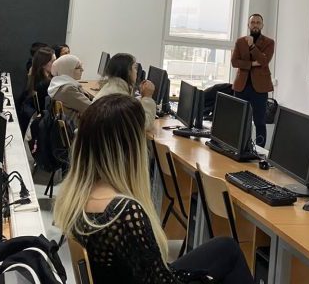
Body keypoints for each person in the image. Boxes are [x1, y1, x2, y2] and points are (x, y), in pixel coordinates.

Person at [54, 94, 254, 284]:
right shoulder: (124, 212)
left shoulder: (77, 195)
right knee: (229, 255)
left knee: (225, 248)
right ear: (129, 147)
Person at [231, 14, 274, 148]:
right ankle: (242, 147)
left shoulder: (269, 42)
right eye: (253, 22)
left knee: (259, 122)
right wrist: (252, 64)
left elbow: (264, 61)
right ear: (248, 25)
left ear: (262, 25)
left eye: (258, 23)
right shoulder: (240, 42)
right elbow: (234, 62)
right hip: (241, 87)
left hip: (260, 89)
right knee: (241, 120)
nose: (255, 25)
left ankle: (259, 151)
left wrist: (252, 46)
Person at [94, 53, 156, 131]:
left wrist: (140, 98)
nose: (136, 72)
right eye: (135, 68)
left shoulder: (110, 87)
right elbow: (144, 124)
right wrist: (147, 97)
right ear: (128, 71)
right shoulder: (119, 97)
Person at [19, 46, 55, 134]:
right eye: (53, 61)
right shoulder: (46, 84)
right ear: (43, 64)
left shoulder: (34, 78)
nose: (55, 64)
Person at [48, 54, 92, 126]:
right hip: (80, 127)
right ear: (68, 70)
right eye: (78, 67)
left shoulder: (59, 83)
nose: (82, 70)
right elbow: (92, 108)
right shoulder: (68, 89)